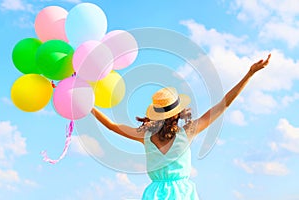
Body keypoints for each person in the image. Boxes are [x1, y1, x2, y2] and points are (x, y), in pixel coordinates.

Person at [91, 54, 271, 200]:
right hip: (183, 194)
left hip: (154, 195)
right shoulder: (187, 132)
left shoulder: (144, 136)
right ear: (177, 113)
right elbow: (223, 105)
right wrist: (249, 74)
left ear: (155, 113)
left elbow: (112, 126)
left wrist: (88, 105)